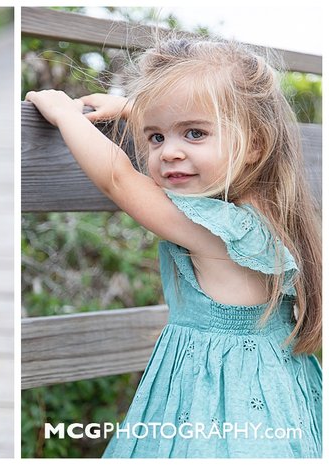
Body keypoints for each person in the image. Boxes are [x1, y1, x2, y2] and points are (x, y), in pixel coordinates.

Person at [26, 35, 322, 458]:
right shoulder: (264, 204)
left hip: (216, 398)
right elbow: (202, 134)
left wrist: (62, 113)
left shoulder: (213, 228)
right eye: (157, 137)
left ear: (255, 144)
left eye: (194, 133)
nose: (169, 153)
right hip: (271, 386)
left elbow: (118, 179)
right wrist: (132, 112)